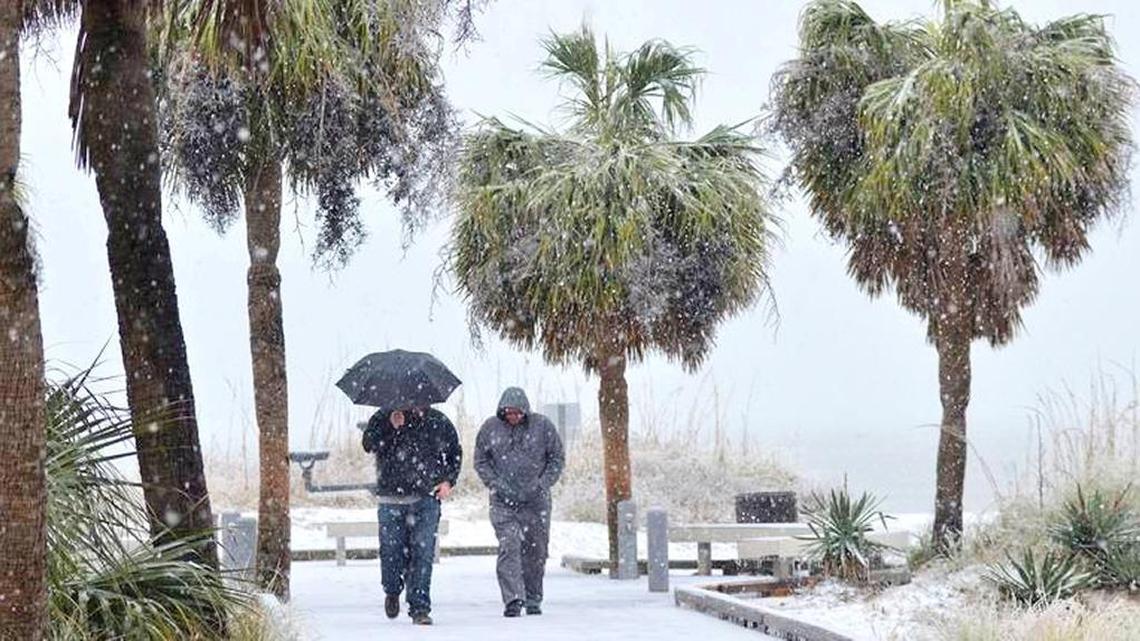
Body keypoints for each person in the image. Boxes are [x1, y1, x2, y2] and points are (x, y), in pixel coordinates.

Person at [362, 405, 461, 626]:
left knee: (423, 553)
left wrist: (448, 480)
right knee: (391, 552)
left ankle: (420, 607)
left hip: (426, 497)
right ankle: (392, 589)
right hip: (390, 498)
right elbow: (369, 444)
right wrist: (391, 426)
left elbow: (455, 452)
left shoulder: (438, 421)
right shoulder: (383, 415)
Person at [474, 387, 565, 618]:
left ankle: (533, 597)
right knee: (510, 545)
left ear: (525, 411)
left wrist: (542, 484)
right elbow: (481, 461)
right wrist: (495, 484)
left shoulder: (543, 427)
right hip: (503, 502)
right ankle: (513, 598)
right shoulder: (489, 428)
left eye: (517, 413)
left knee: (536, 550)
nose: (513, 417)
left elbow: (556, 458)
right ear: (502, 411)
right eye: (509, 413)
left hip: (536, 501)